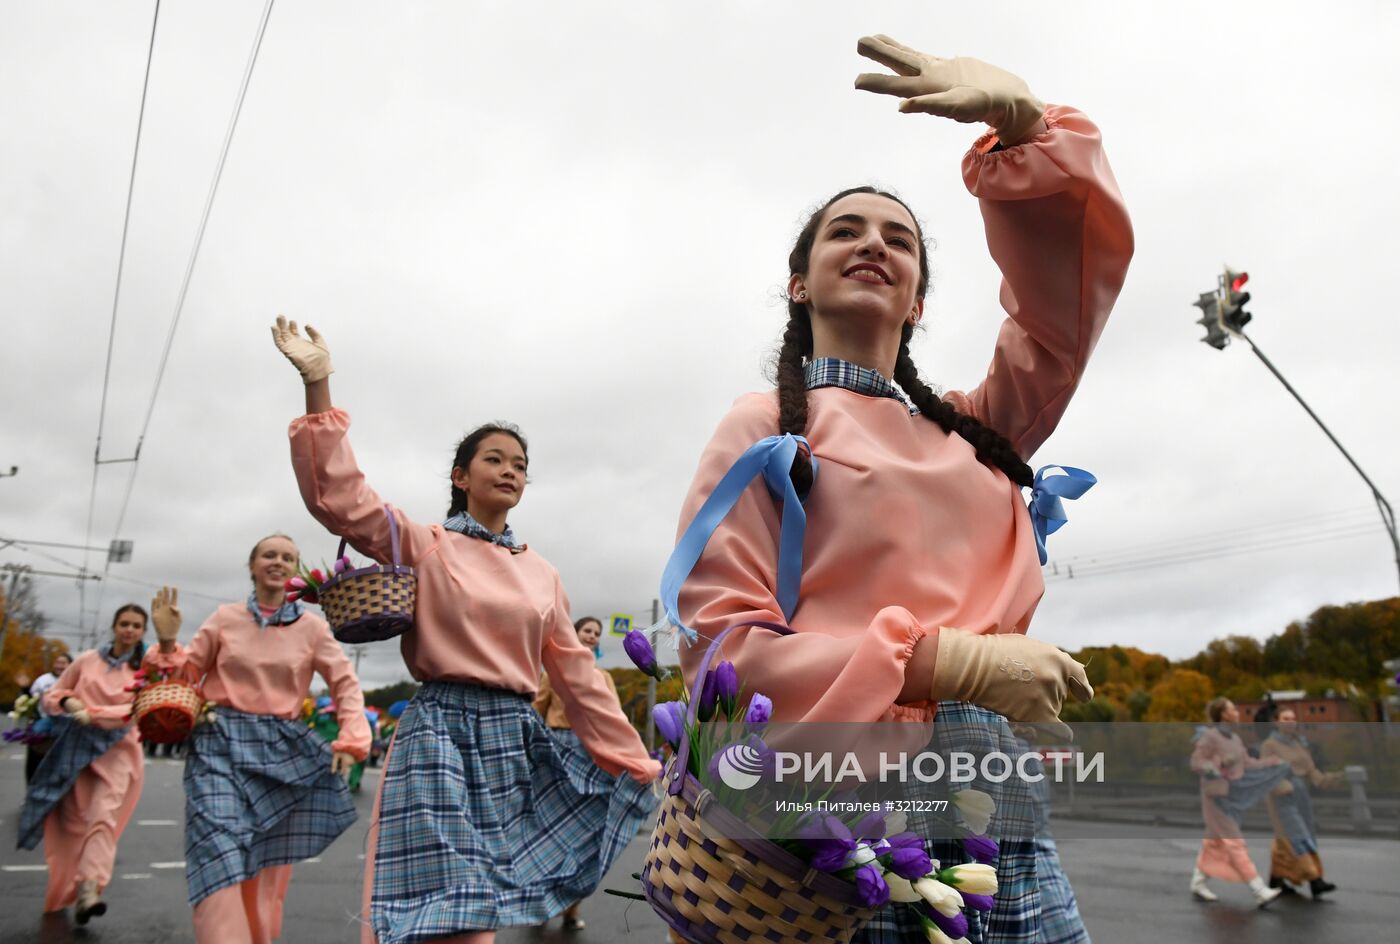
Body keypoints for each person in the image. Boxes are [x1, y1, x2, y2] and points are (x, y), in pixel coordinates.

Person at [662, 35, 1132, 944]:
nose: (874, 242)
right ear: (798, 284)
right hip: (852, 806)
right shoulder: (766, 429)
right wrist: (949, 663)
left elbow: (1062, 321)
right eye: (846, 230)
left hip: (1004, 794)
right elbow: (721, 657)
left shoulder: (978, 428)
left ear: (918, 298)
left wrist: (1028, 130)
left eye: (900, 239)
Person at [271, 318, 661, 944]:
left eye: (521, 465)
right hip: (441, 737)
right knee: (449, 915)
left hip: (516, 745)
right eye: (495, 459)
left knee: (476, 914)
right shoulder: (426, 545)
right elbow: (338, 500)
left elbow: (580, 679)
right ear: (461, 476)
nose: (510, 471)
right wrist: (319, 385)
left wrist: (634, 760)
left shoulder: (543, 573)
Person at [145, 533, 372, 944]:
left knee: (265, 868)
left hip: (281, 754)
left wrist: (352, 740)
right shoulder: (222, 618)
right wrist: (165, 642)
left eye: (288, 556)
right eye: (269, 554)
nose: (278, 561)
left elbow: (345, 684)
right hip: (217, 745)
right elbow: (186, 678)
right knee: (217, 853)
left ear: (297, 572)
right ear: (252, 566)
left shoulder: (313, 629)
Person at [18, 606, 148, 923]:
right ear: (114, 626)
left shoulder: (145, 668)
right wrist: (67, 701)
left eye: (136, 626)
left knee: (103, 817)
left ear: (143, 632)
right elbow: (53, 694)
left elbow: (137, 710)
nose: (129, 630)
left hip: (119, 752)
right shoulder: (88, 660)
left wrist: (93, 714)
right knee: (73, 825)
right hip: (77, 751)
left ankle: (90, 889)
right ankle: (65, 890)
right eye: (124, 623)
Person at [531, 615, 621, 931]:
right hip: (558, 747)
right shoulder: (553, 671)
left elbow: (614, 720)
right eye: (587, 630)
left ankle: (571, 907)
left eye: (597, 633)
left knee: (585, 833)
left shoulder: (605, 677)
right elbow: (536, 714)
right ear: (576, 633)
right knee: (550, 830)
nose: (592, 636)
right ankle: (541, 904)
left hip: (592, 753)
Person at [1188, 697, 1290, 907]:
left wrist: (1270, 763)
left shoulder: (1234, 738)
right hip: (1216, 797)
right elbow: (1197, 762)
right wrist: (1218, 766)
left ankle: (1198, 882)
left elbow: (1247, 763)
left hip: (1231, 795)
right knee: (1234, 842)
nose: (1236, 712)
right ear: (1223, 714)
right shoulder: (1210, 737)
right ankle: (1259, 889)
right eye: (1233, 709)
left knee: (1214, 841)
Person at [1261, 707, 1343, 897]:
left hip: (1301, 794)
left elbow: (1311, 771)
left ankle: (1276, 879)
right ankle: (1315, 880)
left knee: (1288, 838)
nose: (1290, 722)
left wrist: (1328, 779)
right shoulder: (1270, 745)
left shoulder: (1298, 744)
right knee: (1298, 835)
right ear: (1276, 722)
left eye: (1293, 718)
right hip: (1282, 795)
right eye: (1285, 718)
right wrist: (1281, 784)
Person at [23, 651, 71, 784]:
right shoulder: (43, 680)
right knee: (35, 757)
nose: (60, 666)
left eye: (63, 663)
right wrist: (25, 688)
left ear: (70, 665)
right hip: (43, 721)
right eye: (58, 663)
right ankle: (31, 788)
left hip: (66, 724)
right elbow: (31, 699)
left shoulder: (74, 680)